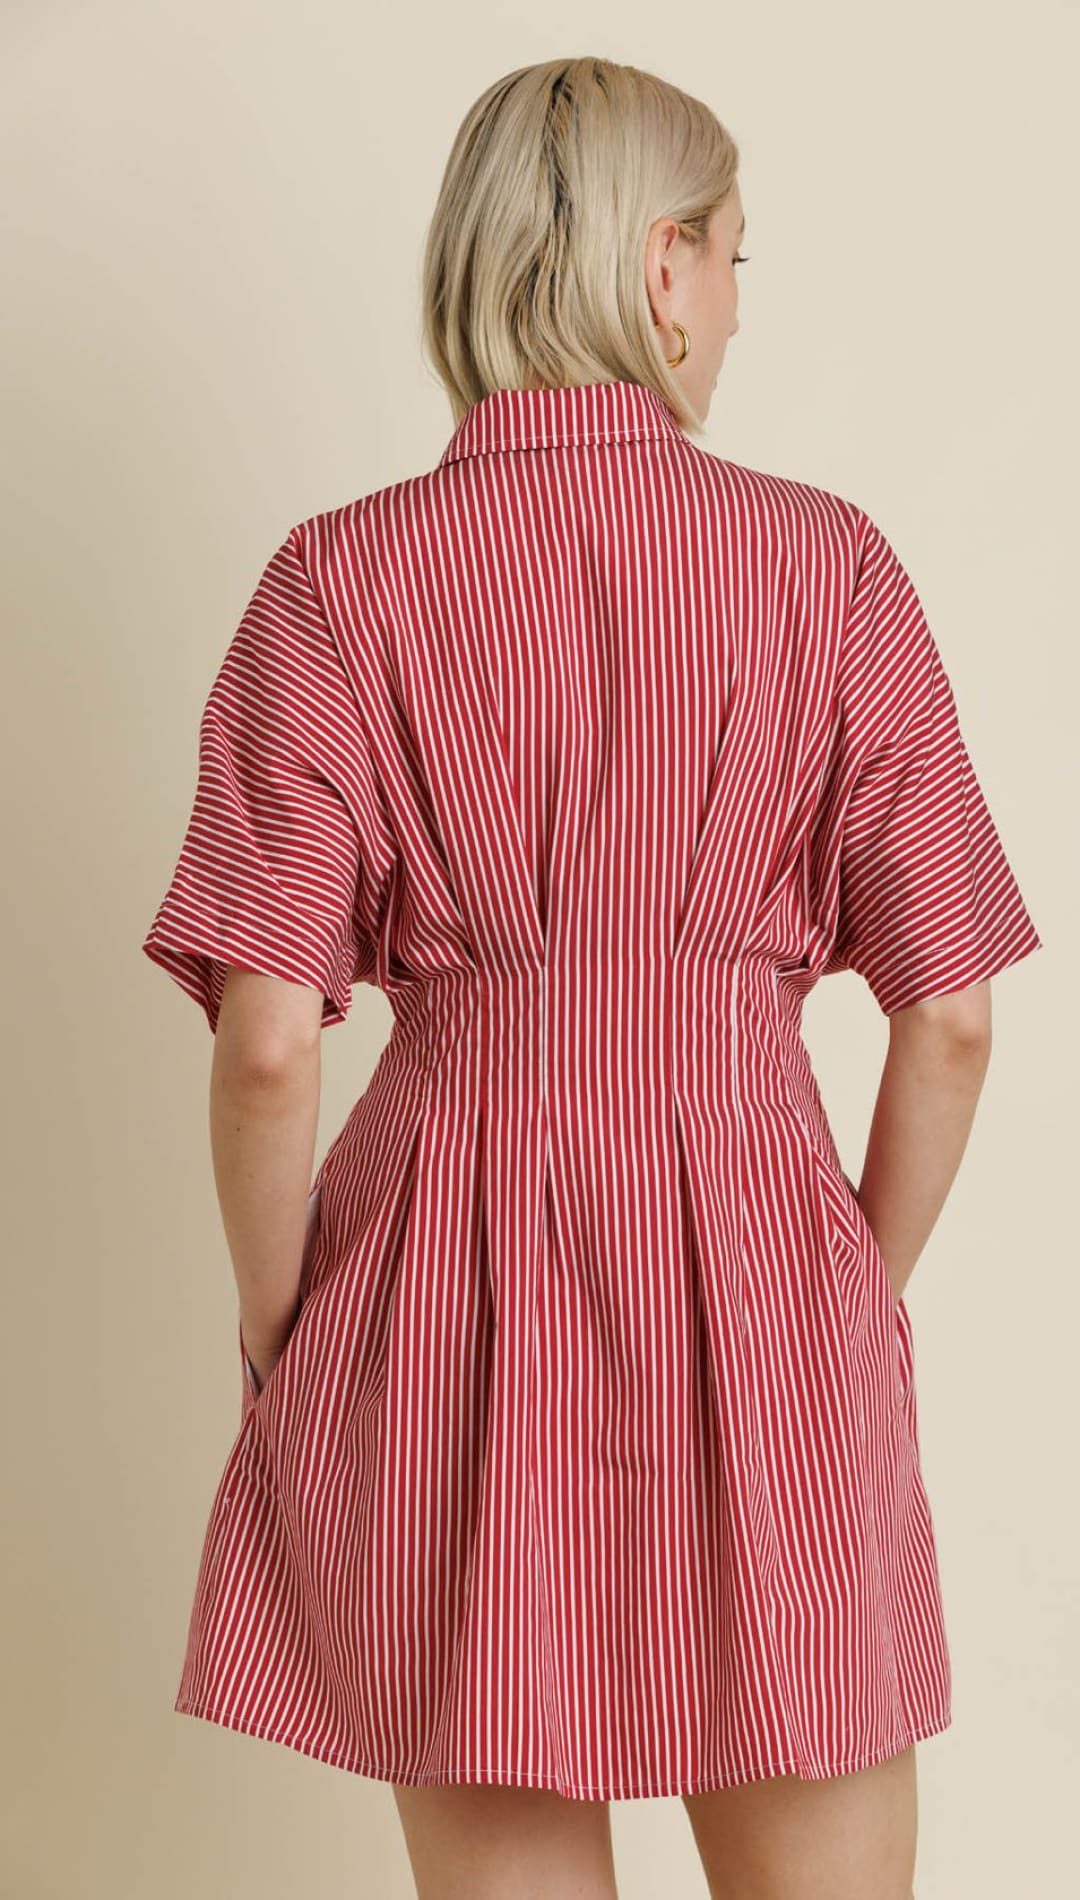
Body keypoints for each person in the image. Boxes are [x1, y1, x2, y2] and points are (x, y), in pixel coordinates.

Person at [141, 55, 1043, 1900]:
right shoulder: (828, 568)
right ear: (658, 267)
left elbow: (261, 1054)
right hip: (763, 1252)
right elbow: (947, 1008)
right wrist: (849, 1292)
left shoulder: (336, 582)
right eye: (731, 253)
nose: (736, 300)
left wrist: (278, 1317)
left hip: (444, 1279)